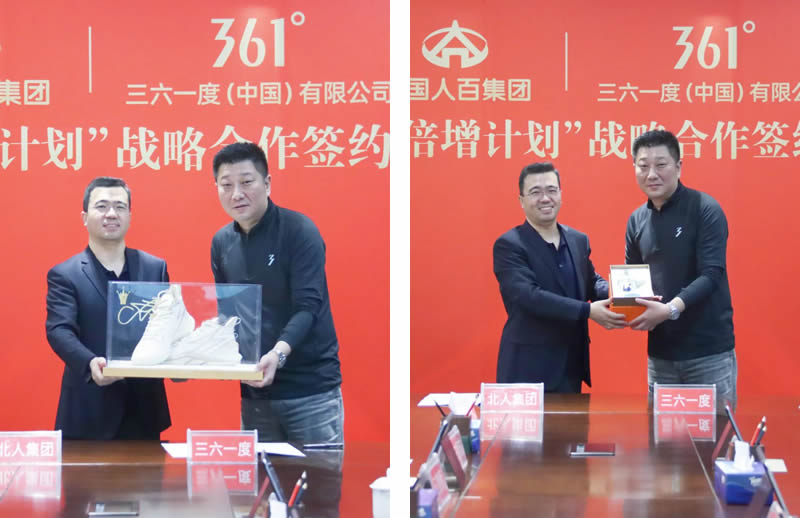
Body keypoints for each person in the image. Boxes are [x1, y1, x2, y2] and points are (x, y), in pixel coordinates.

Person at [210, 141, 343, 443]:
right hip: (255, 393)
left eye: (246, 182)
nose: (236, 194)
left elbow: (308, 307)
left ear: (267, 183)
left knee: (317, 474)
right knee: (259, 475)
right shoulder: (221, 243)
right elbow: (228, 314)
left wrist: (277, 355)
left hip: (310, 393)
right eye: (226, 185)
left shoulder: (299, 231)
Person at [45, 177, 171, 439]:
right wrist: (89, 363)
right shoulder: (65, 274)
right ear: (84, 217)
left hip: (145, 411)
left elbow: (167, 325)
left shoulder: (154, 268)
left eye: (120, 207)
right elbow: (59, 330)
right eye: (101, 206)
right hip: (88, 409)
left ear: (130, 216)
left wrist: (180, 359)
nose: (111, 214)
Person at [625, 129, 736, 410]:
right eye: (643, 166)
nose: (652, 174)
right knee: (664, 436)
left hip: (708, 353)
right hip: (661, 355)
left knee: (715, 434)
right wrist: (623, 309)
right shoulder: (636, 220)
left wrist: (670, 309)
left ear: (678, 166)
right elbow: (633, 280)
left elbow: (711, 273)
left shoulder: (705, 209)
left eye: (661, 164)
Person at [493, 162, 626, 393]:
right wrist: (588, 311)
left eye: (551, 190)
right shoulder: (510, 245)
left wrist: (623, 292)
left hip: (570, 367)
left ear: (561, 194)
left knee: (573, 419)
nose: (545, 198)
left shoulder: (578, 239)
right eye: (535, 192)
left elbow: (591, 282)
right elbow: (529, 297)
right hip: (527, 368)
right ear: (521, 200)